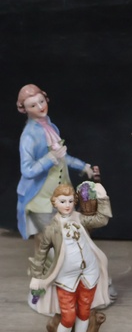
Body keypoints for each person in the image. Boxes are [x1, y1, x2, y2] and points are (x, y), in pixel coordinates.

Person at [28, 183, 112, 332]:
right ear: (54, 203)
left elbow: (101, 219)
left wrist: (103, 197)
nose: (67, 205)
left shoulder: (80, 218)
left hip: (89, 273)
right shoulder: (51, 229)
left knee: (84, 313)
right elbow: (41, 254)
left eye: (70, 201)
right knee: (67, 317)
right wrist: (37, 277)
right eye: (62, 201)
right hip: (66, 278)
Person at [16, 84, 96, 240]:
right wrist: (49, 158)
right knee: (52, 240)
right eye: (33, 105)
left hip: (63, 195)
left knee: (67, 236)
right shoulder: (29, 136)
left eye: (41, 101)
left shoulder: (51, 127)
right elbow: (27, 170)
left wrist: (82, 166)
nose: (40, 107)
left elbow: (62, 157)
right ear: (24, 109)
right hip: (42, 199)